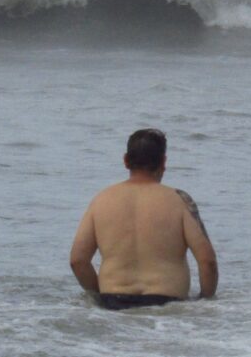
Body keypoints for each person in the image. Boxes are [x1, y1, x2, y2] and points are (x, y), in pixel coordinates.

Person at [69, 128, 218, 310]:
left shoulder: (101, 200)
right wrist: (204, 301)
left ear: (125, 161)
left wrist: (99, 297)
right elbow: (207, 261)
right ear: (163, 162)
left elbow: (78, 261)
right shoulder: (179, 201)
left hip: (113, 305)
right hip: (167, 305)